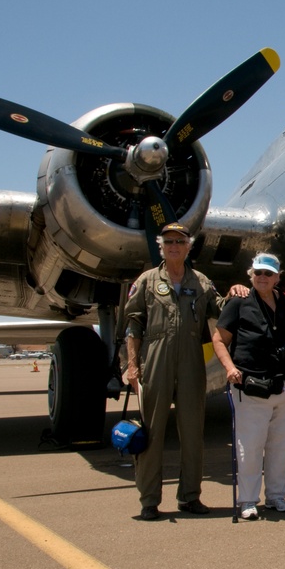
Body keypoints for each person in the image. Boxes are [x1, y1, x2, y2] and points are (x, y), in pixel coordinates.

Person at [124, 222, 230, 521]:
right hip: (156, 356)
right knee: (153, 431)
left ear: (188, 246)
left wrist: (236, 293)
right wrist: (132, 365)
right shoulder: (146, 281)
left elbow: (220, 309)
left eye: (180, 241)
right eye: (169, 241)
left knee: (193, 431)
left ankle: (190, 496)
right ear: (161, 246)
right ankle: (149, 500)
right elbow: (134, 323)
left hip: (191, 358)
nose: (174, 246)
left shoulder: (202, 283)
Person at [212, 252, 285, 519]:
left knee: (281, 445)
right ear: (251, 275)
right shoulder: (238, 302)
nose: (262, 278)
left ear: (278, 277)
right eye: (258, 273)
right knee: (250, 446)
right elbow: (219, 339)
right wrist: (230, 368)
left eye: (268, 273)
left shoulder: (284, 302)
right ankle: (249, 500)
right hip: (251, 387)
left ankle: (276, 496)